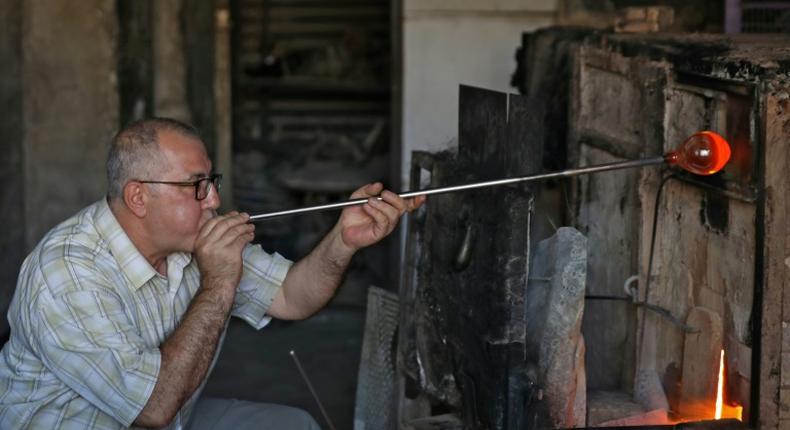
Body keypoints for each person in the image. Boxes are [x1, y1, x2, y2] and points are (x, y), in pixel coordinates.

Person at [0, 118, 424, 429]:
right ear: (139, 197)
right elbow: (153, 409)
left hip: (167, 417)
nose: (214, 198)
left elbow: (295, 297)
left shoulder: (192, 242)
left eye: (212, 179)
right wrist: (218, 280)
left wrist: (344, 239)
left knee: (294, 425)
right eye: (196, 184)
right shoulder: (66, 272)